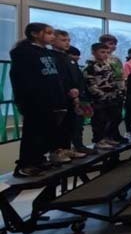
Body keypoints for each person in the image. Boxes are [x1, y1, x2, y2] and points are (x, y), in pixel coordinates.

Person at [9, 23, 67, 176]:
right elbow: (22, 79)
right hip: (34, 100)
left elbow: (54, 77)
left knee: (47, 133)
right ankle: (25, 164)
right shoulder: (23, 52)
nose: (52, 36)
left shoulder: (47, 52)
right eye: (48, 33)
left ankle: (39, 159)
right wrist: (27, 99)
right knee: (33, 133)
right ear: (35, 34)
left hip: (51, 99)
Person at [51, 29, 85, 161]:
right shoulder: (51, 57)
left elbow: (77, 77)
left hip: (74, 96)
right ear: (53, 41)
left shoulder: (68, 58)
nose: (67, 43)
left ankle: (66, 148)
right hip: (61, 97)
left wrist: (77, 91)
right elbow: (58, 78)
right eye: (63, 40)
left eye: (68, 40)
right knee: (59, 126)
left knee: (70, 124)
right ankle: (57, 151)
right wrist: (68, 90)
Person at [84, 42, 124, 150]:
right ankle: (98, 140)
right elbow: (91, 84)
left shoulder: (109, 66)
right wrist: (100, 95)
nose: (105, 54)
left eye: (107, 52)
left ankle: (107, 137)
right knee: (99, 120)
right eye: (102, 52)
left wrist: (118, 92)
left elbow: (114, 80)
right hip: (99, 99)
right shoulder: (90, 68)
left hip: (112, 97)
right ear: (94, 52)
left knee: (113, 118)